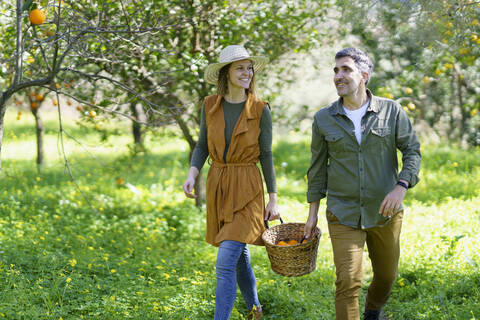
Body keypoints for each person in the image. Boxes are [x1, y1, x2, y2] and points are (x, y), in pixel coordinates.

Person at [303, 47, 421, 320]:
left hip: (384, 212)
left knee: (386, 276)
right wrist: (312, 215)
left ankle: (372, 312)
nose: (338, 76)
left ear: (364, 75)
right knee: (348, 281)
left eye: (346, 69)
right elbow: (317, 169)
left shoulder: (392, 111)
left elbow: (412, 151)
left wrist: (401, 186)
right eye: (336, 70)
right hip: (342, 212)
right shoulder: (324, 118)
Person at [183, 44, 280, 320]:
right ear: (225, 73)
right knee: (238, 257)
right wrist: (193, 173)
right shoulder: (210, 105)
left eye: (249, 68)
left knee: (225, 261)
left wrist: (273, 198)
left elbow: (267, 155)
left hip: (248, 189)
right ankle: (255, 310)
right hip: (219, 186)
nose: (247, 72)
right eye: (240, 68)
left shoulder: (261, 109)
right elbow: (202, 145)